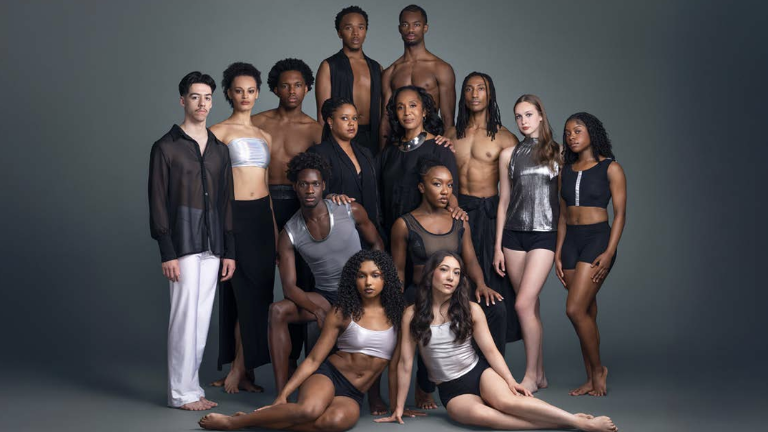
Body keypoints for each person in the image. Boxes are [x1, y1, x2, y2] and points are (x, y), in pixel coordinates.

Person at [377, 251, 619, 432]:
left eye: (457, 272)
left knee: (506, 402)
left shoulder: (471, 309)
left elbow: (491, 351)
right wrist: (399, 407)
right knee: (488, 418)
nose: (451, 277)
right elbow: (405, 364)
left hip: (479, 373)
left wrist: (510, 381)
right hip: (451, 391)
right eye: (444, 270)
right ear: (431, 274)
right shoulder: (411, 314)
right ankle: (564, 424)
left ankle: (577, 420)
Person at [199, 250, 408, 431]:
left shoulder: (398, 316)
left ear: (386, 279)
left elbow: (395, 367)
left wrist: (396, 407)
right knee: (309, 410)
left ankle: (259, 420)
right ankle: (234, 423)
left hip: (353, 393)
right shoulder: (343, 312)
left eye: (375, 275)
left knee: (334, 423)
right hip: (329, 375)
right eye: (361, 276)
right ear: (354, 279)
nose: (368, 282)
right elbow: (314, 360)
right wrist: (283, 394)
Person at [148, 71, 235, 410]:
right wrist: (166, 252)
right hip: (182, 243)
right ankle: (179, 393)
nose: (202, 103)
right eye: (195, 97)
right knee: (184, 319)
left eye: (207, 97)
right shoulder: (165, 147)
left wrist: (229, 250)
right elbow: (157, 202)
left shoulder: (220, 150)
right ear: (183, 100)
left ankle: (192, 388)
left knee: (201, 319)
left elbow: (226, 202)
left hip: (213, 243)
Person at [391, 157, 507, 409]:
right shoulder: (403, 224)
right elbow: (398, 269)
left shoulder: (459, 220)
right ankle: (425, 386)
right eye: (437, 184)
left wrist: (481, 284)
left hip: (454, 291)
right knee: (423, 320)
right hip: (419, 292)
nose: (445, 191)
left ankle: (490, 377)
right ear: (422, 187)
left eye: (450, 185)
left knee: (496, 309)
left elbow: (471, 260)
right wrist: (396, 299)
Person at [268, 152, 384, 394]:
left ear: (323, 186)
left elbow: (376, 244)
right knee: (277, 311)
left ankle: (374, 396)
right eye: (303, 184)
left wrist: (376, 282)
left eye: (315, 184)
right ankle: (281, 393)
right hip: (325, 296)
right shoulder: (289, 233)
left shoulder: (349, 210)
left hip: (359, 291)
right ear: (295, 187)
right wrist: (317, 310)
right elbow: (289, 287)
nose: (310, 190)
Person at [206, 62, 275, 394]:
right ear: (228, 94)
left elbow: (267, 185)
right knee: (237, 295)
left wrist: (275, 230)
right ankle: (238, 368)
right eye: (238, 91)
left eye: (250, 90)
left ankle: (241, 368)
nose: (245, 96)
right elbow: (210, 186)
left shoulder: (265, 136)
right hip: (234, 216)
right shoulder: (217, 132)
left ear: (258, 93)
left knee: (259, 296)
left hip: (262, 217)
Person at [252, 58, 323, 367]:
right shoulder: (257, 122)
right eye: (285, 85)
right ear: (275, 89)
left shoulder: (315, 130)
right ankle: (247, 364)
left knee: (302, 284)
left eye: (298, 85)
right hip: (261, 203)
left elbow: (321, 175)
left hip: (299, 207)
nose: (292, 91)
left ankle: (297, 360)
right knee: (256, 283)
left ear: (307, 88)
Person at [446, 71, 522, 346]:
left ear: (490, 95)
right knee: (458, 278)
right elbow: (438, 176)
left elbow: (519, 189)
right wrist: (452, 204)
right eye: (469, 88)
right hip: (457, 212)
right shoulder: (450, 135)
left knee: (493, 281)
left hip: (489, 214)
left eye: (481, 88)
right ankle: (459, 349)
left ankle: (494, 354)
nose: (475, 94)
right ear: (463, 95)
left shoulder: (505, 138)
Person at [555, 112, 627, 397]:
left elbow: (620, 215)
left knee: (574, 309)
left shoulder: (611, 168)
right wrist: (558, 253)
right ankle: (589, 378)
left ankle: (599, 371)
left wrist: (609, 251)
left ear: (591, 133)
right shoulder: (565, 170)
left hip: (597, 239)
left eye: (578, 130)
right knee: (586, 312)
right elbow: (562, 217)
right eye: (567, 132)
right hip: (570, 242)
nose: (571, 136)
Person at [493, 94, 561, 393]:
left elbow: (563, 203)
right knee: (529, 305)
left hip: (544, 235)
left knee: (522, 304)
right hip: (513, 236)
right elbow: (504, 201)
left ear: (541, 115)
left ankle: (531, 376)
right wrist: (497, 246)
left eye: (529, 115)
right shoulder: (508, 154)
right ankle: (540, 373)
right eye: (518, 116)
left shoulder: (558, 153)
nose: (523, 121)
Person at [378, 85, 464, 242]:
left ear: (424, 111)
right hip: (390, 236)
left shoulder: (440, 148)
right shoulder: (389, 152)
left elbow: (451, 195)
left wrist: (456, 210)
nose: (407, 112)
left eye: (412, 105)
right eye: (400, 107)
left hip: (425, 239)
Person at [380, 4, 456, 149]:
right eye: (405, 25)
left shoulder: (441, 68)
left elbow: (448, 118)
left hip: (431, 141)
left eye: (416, 25)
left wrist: (443, 152)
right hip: (398, 144)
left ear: (425, 28)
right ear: (399, 29)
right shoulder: (390, 72)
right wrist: (382, 156)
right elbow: (385, 119)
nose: (410, 29)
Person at [308, 97, 381, 237]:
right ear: (330, 121)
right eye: (344, 118)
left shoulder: (365, 152)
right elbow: (312, 192)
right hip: (338, 230)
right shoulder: (319, 153)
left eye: (354, 118)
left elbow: (376, 193)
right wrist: (330, 196)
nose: (351, 123)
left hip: (371, 229)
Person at [316, 6, 383, 156]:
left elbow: (383, 111)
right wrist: (324, 150)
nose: (355, 33)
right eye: (348, 28)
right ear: (340, 33)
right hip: (340, 138)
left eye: (361, 27)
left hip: (373, 137)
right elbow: (322, 115)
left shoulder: (376, 68)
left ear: (366, 31)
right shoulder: (329, 66)